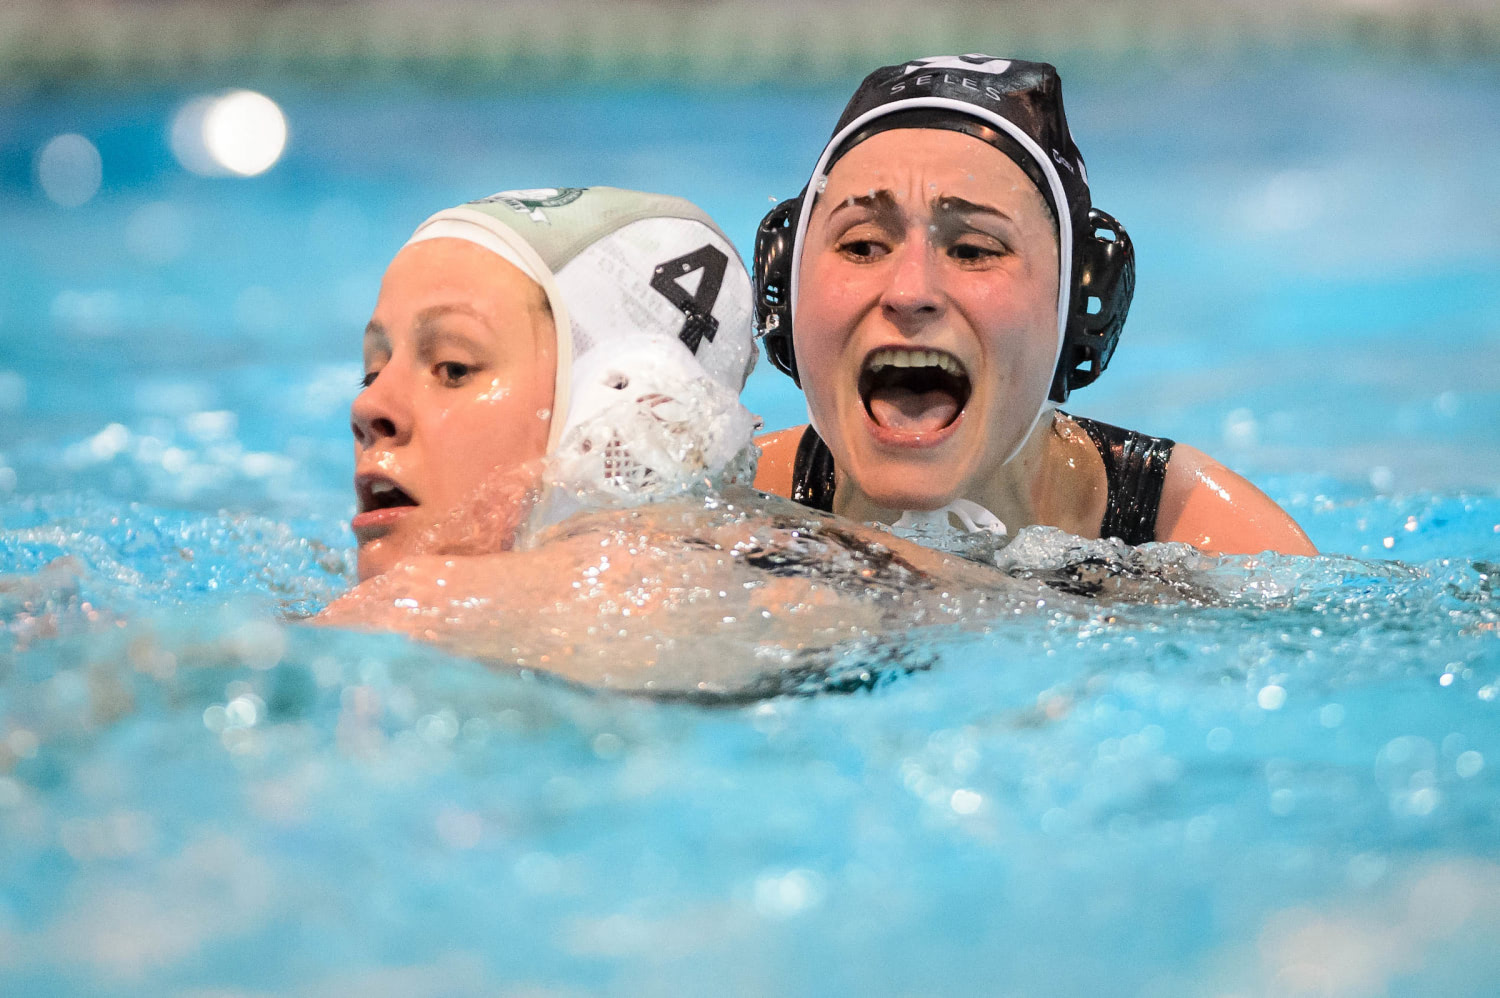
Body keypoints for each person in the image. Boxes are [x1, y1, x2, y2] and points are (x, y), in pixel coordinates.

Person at [315, 186, 1046, 697]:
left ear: (618, 406)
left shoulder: (434, 607)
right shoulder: (818, 564)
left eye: (452, 366)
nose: (369, 405)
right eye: (374, 367)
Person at [750, 55, 1317, 557]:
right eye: (862, 245)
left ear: (1075, 309)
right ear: (787, 288)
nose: (910, 292)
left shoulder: (1211, 544)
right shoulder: (732, 508)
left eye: (973, 249)